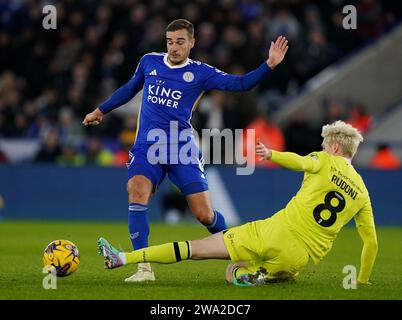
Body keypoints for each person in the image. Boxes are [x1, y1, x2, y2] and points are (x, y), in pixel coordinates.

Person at [83, 19, 289, 282]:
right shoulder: (149, 62)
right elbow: (129, 88)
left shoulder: (201, 72)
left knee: (204, 214)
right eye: (170, 41)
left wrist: (269, 64)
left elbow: (241, 84)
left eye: (180, 42)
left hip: (182, 149)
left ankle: (240, 251)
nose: (174, 47)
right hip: (148, 147)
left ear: (192, 42)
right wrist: (101, 110)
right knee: (136, 189)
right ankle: (144, 268)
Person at [98, 121, 378, 286]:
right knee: (239, 271)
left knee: (194, 249)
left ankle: (123, 258)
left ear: (336, 149)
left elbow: (301, 161)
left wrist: (272, 154)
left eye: (326, 144)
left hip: (273, 232)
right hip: (300, 258)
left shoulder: (325, 160)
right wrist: (363, 281)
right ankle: (261, 275)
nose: (323, 148)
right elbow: (371, 243)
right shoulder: (363, 193)